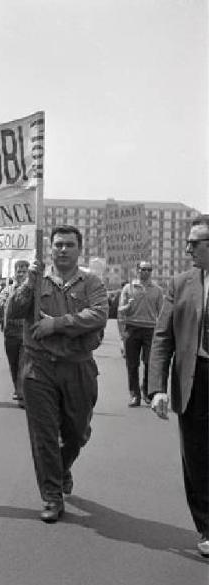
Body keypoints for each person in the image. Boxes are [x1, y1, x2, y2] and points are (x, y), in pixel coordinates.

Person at [5, 225, 108, 523]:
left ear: (79, 249)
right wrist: (28, 282)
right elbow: (13, 311)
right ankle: (51, 495)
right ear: (50, 249)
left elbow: (99, 314)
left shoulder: (91, 282)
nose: (63, 249)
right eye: (58, 245)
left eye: (69, 245)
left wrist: (57, 324)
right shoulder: (36, 281)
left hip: (78, 367)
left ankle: (62, 468)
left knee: (76, 432)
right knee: (44, 436)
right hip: (39, 368)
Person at [148, 214, 209, 558]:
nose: (187, 249)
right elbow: (162, 337)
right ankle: (206, 527)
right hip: (196, 378)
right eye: (187, 242)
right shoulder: (180, 283)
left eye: (195, 243)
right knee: (198, 457)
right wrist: (157, 387)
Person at [117, 261, 163, 407]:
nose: (146, 272)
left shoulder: (157, 290)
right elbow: (120, 310)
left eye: (149, 269)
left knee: (150, 363)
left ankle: (147, 392)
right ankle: (134, 395)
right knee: (132, 364)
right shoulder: (128, 288)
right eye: (143, 269)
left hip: (150, 330)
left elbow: (161, 314)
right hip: (132, 329)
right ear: (137, 270)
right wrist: (128, 306)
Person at [0, 261, 30, 406]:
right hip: (10, 332)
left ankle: (22, 394)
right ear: (14, 273)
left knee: (23, 364)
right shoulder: (8, 289)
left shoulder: (32, 291)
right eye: (18, 271)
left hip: (26, 333)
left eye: (23, 271)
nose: (21, 274)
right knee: (14, 363)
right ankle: (17, 388)